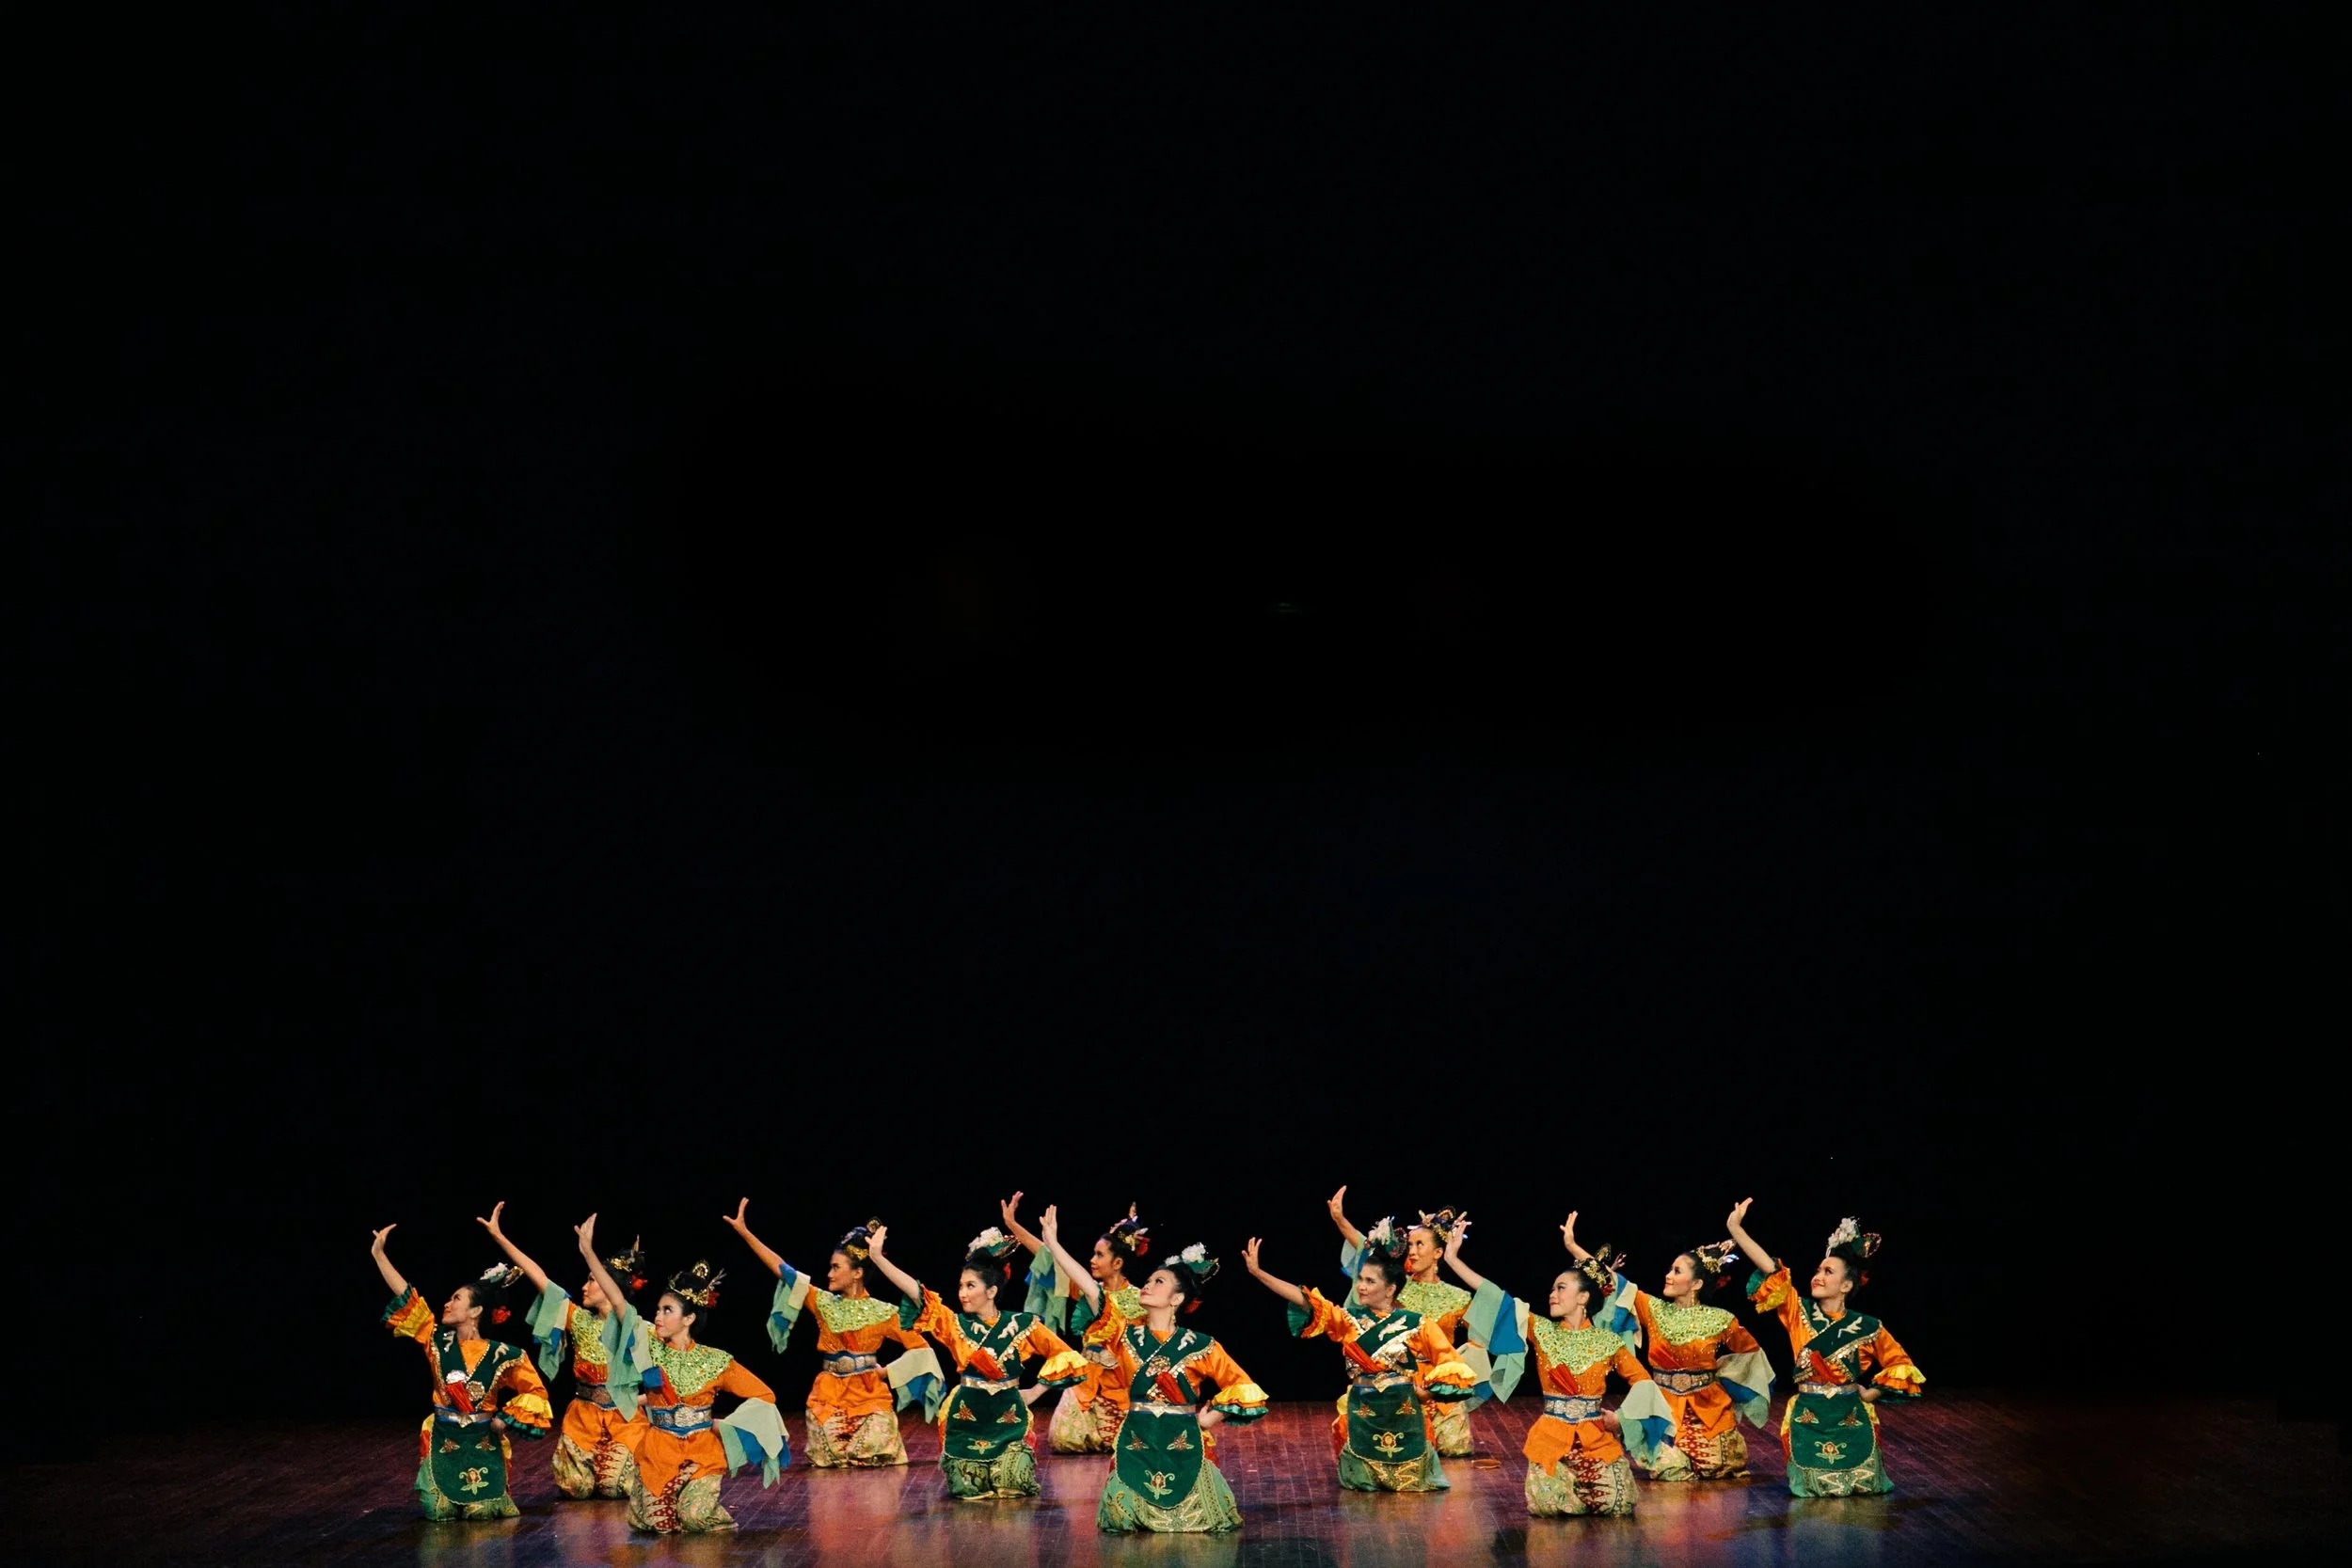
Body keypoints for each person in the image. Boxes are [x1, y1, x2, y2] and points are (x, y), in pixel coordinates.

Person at [1037, 1207, 1268, 1533]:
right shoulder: (1123, 1333)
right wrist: (1052, 1242)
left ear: (1177, 1299)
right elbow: (1090, 1288)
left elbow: (1243, 1386)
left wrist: (1208, 1417)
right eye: (1148, 1280)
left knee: (1205, 1519)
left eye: (1158, 1282)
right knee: (1120, 1518)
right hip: (1137, 1438)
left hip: (1182, 1440)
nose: (1147, 1285)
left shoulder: (1201, 1344)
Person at [1441, 1223, 1670, 1519]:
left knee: (1619, 1504)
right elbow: (1498, 1298)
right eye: (1552, 1288)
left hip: (1595, 1437)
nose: (1552, 1294)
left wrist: (1620, 1419)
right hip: (1552, 1439)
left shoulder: (1609, 1342)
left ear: (1583, 1298)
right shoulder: (1543, 1330)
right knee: (1550, 1505)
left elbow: (1643, 1382)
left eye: (1561, 1288)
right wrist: (1453, 1260)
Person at [578, 1214, 787, 1532]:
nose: (658, 1316)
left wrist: (725, 1426)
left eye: (667, 1311)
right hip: (659, 1450)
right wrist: (589, 1254)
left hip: (701, 1453)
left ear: (688, 1319)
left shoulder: (715, 1360)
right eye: (658, 1309)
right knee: (656, 1524)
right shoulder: (649, 1345)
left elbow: (765, 1395)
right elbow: (619, 1302)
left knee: (693, 1518)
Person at [862, 1223, 1088, 1499]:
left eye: (971, 1286)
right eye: (961, 1286)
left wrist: (1035, 1392)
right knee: (968, 1488)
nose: (963, 1293)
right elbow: (918, 1293)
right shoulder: (955, 1325)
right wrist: (878, 1259)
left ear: (991, 1291)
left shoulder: (1022, 1325)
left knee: (1012, 1483)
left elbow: (1065, 1354)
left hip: (1008, 1418)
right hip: (967, 1419)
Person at [1244, 1223, 1474, 1493]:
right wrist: (1260, 1274)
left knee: (1413, 1481)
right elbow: (1307, 1301)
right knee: (1362, 1482)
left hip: (1404, 1415)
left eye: (1369, 1281)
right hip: (1364, 1416)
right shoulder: (1349, 1320)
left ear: (1390, 1290)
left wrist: (1427, 1394)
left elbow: (1450, 1362)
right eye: (1361, 1279)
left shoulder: (1416, 1324)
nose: (1361, 1287)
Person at [1725, 1198, 1924, 1497]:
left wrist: (1870, 1393)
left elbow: (1900, 1364)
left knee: (1864, 1488)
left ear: (1847, 1285)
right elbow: (1770, 1268)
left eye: (1829, 1271)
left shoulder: (1867, 1326)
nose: (1818, 1275)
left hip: (1850, 1418)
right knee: (1811, 1489)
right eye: (1818, 1269)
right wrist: (1735, 1228)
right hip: (1809, 1417)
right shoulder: (1798, 1311)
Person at [724, 1199, 945, 1466]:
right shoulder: (822, 1302)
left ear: (857, 1273)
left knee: (874, 1445)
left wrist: (886, 1372)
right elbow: (784, 1270)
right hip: (829, 1395)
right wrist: (746, 1234)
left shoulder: (884, 1312)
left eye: (836, 1267)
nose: (828, 1273)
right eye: (830, 1266)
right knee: (831, 1451)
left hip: (868, 1395)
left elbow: (922, 1349)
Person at [1560, 1211, 1773, 1480]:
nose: (1668, 1276)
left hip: (1708, 1411)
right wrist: (1573, 1246)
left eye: (1676, 1271)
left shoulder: (1722, 1320)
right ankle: (1626, 1424)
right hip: (1664, 1410)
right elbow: (1610, 1281)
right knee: (1668, 1466)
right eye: (1670, 1270)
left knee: (1717, 1465)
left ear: (1696, 1283)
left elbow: (1751, 1354)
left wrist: (1723, 1376)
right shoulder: (1654, 1309)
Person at [371, 1222, 553, 1521]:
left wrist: (503, 1422)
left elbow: (536, 1392)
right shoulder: (436, 1337)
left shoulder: (504, 1354)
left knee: (481, 1513)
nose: (447, 1302)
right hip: (444, 1437)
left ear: (475, 1311)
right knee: (439, 1512)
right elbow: (407, 1295)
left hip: (482, 1442)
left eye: (456, 1299)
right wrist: (379, 1255)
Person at [477, 1200, 649, 1499]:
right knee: (577, 1488)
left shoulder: (636, 1326)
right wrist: (499, 1237)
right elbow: (540, 1279)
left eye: (592, 1281)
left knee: (615, 1487)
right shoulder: (579, 1319)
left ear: (611, 1288)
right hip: (583, 1417)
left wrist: (638, 1398)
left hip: (625, 1419)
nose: (585, 1286)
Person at [1327, 1190, 1488, 1455]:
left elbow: (1483, 1331)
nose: (1411, 1252)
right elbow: (1367, 1251)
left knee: (1455, 1448)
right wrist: (1340, 1220)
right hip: (1399, 1381)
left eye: (1419, 1245)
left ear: (1438, 1253)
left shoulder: (1459, 1297)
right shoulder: (1395, 1288)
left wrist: (1456, 1371)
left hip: (1437, 1384)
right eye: (1410, 1245)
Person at [998, 1193, 1155, 1452]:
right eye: (1093, 1254)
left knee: (1131, 1442)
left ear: (1117, 1263)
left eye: (1099, 1255)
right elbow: (1051, 1260)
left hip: (1123, 1384)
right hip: (1086, 1382)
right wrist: (1013, 1225)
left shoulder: (1141, 1299)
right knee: (1064, 1439)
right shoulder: (1088, 1291)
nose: (1092, 1260)